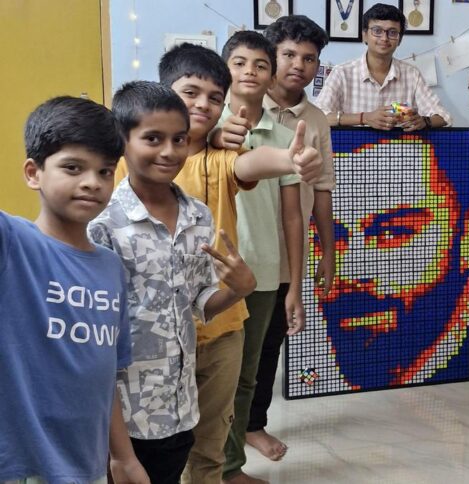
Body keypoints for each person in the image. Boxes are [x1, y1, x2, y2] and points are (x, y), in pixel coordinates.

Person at [112, 43, 322, 484]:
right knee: (152, 449)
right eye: (190, 93)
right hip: (151, 340)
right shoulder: (123, 170)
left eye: (214, 97)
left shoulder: (218, 159)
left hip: (222, 322)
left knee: (210, 444)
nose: (203, 105)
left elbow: (251, 163)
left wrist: (289, 158)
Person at [90, 81, 259, 483]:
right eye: (153, 139)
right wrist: (117, 450)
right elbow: (97, 340)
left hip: (180, 410)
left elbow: (199, 302)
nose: (168, 151)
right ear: (122, 140)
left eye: (178, 139)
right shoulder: (103, 225)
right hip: (123, 422)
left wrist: (238, 289)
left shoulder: (197, 216)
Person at [0, 96, 147, 484]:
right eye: (72, 167)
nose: (92, 182)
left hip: (87, 465)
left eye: (105, 171)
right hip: (23, 468)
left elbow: (106, 377)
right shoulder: (14, 243)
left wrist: (124, 458)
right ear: (33, 173)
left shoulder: (110, 267)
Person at [313, 130, 469, 391]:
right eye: (326, 237)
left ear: (462, 236)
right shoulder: (313, 366)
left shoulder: (456, 367)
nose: (353, 271)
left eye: (393, 233)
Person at [246, 14, 337, 461]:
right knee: (232, 344)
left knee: (270, 341)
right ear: (271, 55)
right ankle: (220, 428)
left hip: (288, 249)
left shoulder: (316, 120)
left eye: (309, 58)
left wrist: (329, 253)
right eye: (288, 54)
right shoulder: (243, 104)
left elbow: (321, 192)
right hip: (245, 244)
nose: (299, 65)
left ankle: (253, 424)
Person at [215, 30, 304, 484]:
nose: (250, 71)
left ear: (271, 77)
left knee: (246, 376)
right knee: (209, 375)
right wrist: (215, 137)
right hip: (212, 272)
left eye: (260, 64)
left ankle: (230, 468)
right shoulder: (203, 129)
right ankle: (202, 466)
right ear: (224, 70)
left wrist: (295, 286)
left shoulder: (286, 136)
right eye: (239, 62)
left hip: (264, 273)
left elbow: (292, 218)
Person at [316, 3, 452, 131]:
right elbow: (318, 116)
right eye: (377, 31)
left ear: (400, 39)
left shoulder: (412, 75)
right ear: (364, 35)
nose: (384, 38)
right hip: (353, 148)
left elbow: (444, 117)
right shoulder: (342, 73)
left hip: (398, 148)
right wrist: (364, 118)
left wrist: (425, 121)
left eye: (392, 32)